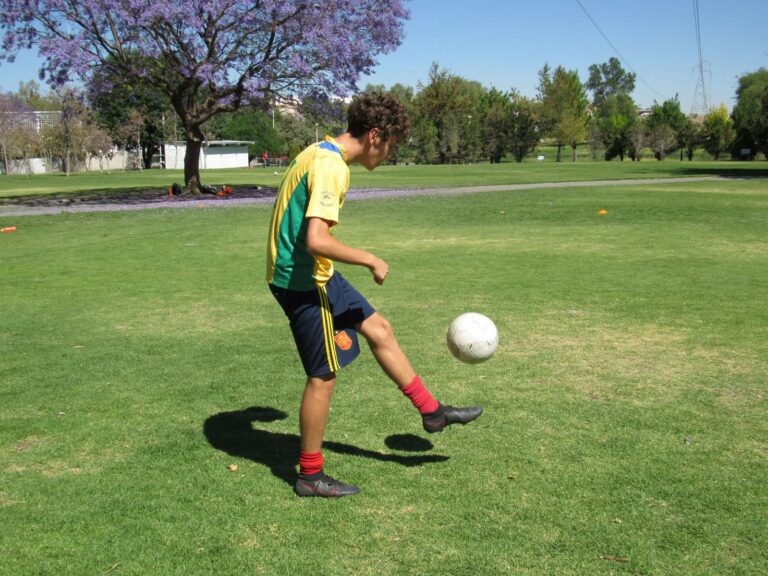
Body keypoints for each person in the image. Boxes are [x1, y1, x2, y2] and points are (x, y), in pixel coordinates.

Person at [265, 92, 482, 498]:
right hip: (303, 282)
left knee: (379, 328)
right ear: (376, 135)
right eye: (391, 145)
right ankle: (310, 476)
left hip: (315, 275)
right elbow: (316, 239)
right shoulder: (332, 166)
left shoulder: (318, 150)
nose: (389, 154)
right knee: (322, 377)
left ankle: (432, 412)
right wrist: (369, 259)